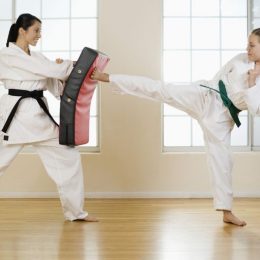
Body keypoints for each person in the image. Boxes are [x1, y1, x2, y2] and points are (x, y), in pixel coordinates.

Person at [91, 28, 260, 226]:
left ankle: (226, 212)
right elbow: (219, 77)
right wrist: (208, 91)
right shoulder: (240, 59)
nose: (246, 48)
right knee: (161, 89)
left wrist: (251, 82)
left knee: (223, 163)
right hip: (204, 96)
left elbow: (256, 109)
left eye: (252, 45)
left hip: (221, 120)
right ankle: (109, 78)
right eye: (248, 43)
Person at [0, 13, 97, 222]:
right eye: (36, 31)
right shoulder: (7, 55)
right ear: (22, 31)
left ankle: (76, 212)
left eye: (40, 31)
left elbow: (52, 79)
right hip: (15, 119)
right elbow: (46, 70)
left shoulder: (37, 57)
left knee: (69, 157)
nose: (39, 35)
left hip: (39, 119)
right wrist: (70, 66)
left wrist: (61, 72)